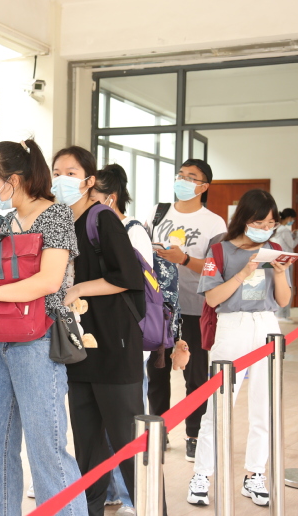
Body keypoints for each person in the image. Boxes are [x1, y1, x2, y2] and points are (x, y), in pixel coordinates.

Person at [0, 140, 88, 516]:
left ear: (15, 178)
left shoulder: (55, 215)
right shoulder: (6, 221)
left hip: (38, 340)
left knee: (47, 450)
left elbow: (48, 280)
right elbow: (2, 268)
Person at [51, 147, 148, 516]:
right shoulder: (60, 222)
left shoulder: (101, 218)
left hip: (115, 347)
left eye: (71, 172)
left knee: (128, 445)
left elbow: (128, 277)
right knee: (88, 449)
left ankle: (151, 507)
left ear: (89, 180)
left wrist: (78, 288)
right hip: (78, 350)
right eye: (56, 172)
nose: (61, 179)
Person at [88, 164, 189, 514]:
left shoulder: (131, 231)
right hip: (101, 338)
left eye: (92, 194)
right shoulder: (93, 228)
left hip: (127, 337)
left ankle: (140, 501)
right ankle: (112, 492)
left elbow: (138, 287)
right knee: (106, 426)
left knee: (128, 425)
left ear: (109, 198)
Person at [187, 189, 291, 507]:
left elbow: (283, 300)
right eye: (260, 222)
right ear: (245, 219)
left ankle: (255, 473)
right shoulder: (220, 251)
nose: (266, 228)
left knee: (265, 406)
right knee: (218, 406)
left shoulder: (275, 250)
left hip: (267, 326)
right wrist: (243, 274)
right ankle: (202, 475)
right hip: (232, 327)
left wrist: (280, 274)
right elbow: (212, 298)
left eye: (271, 223)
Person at [144, 159, 226, 462]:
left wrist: (184, 259)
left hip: (194, 307)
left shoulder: (214, 223)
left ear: (204, 186)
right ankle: (158, 430)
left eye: (191, 177)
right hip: (159, 306)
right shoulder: (158, 212)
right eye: (181, 175)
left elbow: (217, 269)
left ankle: (194, 434)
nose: (183, 181)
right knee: (157, 371)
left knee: (195, 375)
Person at [272, 208, 298, 322]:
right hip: (286, 260)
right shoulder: (284, 230)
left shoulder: (276, 228)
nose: (292, 221)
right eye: (293, 219)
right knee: (286, 285)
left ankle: (279, 313)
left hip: (277, 259)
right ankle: (282, 314)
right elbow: (292, 244)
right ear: (289, 218)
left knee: (278, 285)